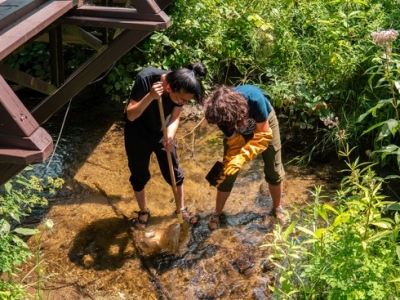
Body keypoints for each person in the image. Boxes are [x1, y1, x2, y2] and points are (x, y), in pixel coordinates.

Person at [124, 62, 207, 229]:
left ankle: (181, 208)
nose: (183, 103)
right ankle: (143, 211)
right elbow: (131, 115)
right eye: (182, 100)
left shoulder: (181, 87)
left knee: (174, 171)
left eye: (186, 101)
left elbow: (175, 118)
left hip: (161, 131)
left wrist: (169, 137)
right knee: (139, 174)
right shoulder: (146, 78)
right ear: (169, 89)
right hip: (137, 132)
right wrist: (150, 97)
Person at [204, 85, 287, 230]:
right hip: (240, 132)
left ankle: (277, 208)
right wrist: (233, 159)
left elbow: (263, 135)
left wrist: (243, 157)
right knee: (228, 171)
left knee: (273, 168)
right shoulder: (220, 115)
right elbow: (235, 142)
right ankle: (217, 213)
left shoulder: (255, 99)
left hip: (264, 126)